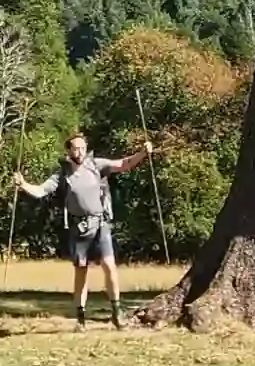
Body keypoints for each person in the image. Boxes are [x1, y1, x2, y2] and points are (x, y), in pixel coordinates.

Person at [17, 129, 153, 326]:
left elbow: (123, 164)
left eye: (82, 148)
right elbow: (40, 191)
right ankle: (80, 319)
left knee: (109, 267)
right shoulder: (62, 174)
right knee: (81, 272)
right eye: (75, 148)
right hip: (78, 228)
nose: (80, 152)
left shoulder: (96, 165)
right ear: (69, 151)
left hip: (100, 224)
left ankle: (117, 313)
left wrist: (142, 153)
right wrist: (23, 184)